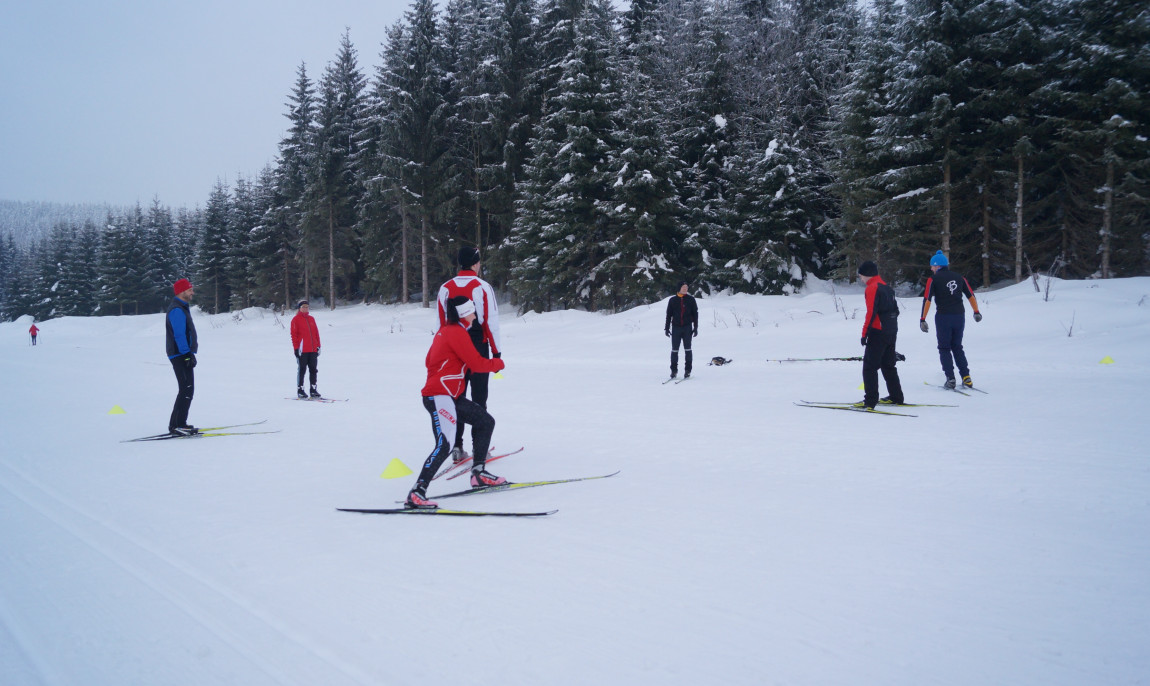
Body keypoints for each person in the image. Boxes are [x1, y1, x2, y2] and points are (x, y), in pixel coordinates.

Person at [407, 296, 508, 509]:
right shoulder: (456, 332)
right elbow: (477, 364)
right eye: (473, 311)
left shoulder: (446, 331)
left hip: (449, 396)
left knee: (485, 422)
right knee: (444, 445)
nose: (476, 315)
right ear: (465, 313)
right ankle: (417, 493)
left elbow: (430, 362)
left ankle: (479, 474)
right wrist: (497, 363)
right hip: (440, 396)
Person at [436, 246, 502, 463]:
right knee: (479, 399)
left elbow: (441, 324)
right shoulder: (482, 287)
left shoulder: (445, 288)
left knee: (457, 398)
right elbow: (491, 323)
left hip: (453, 350)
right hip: (477, 348)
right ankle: (479, 450)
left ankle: (456, 447)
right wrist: (497, 352)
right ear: (476, 263)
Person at [919, 250, 983, 389]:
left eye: (932, 266)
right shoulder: (960, 277)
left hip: (943, 318)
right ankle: (966, 377)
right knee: (957, 346)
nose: (931, 268)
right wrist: (976, 311)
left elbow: (927, 299)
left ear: (937, 266)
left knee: (944, 348)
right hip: (959, 316)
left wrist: (922, 319)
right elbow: (971, 295)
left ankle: (950, 378)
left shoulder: (933, 279)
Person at [857, 261, 904, 409]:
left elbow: (871, 312)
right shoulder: (886, 287)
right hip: (891, 330)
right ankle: (896, 397)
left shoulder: (872, 288)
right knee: (888, 365)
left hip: (879, 332)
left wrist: (864, 334)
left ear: (866, 274)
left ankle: (870, 401)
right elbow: (896, 310)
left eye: (861, 275)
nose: (860, 279)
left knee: (869, 367)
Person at [165, 278, 198, 436]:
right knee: (185, 389)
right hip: (179, 354)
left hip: (182, 353)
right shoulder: (177, 309)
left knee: (188, 389)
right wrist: (186, 355)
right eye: (190, 289)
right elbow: (179, 335)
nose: (192, 292)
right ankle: (176, 425)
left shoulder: (182, 307)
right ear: (182, 292)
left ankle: (180, 423)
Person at [664, 280, 699, 379]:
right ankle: (673, 371)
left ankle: (688, 370)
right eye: (684, 287)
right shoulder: (672, 300)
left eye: (687, 287)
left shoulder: (691, 299)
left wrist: (695, 327)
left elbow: (695, 315)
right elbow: (668, 315)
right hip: (676, 328)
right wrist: (666, 328)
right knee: (674, 350)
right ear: (679, 288)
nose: (685, 289)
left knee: (688, 350)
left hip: (687, 328)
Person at [290, 300, 322, 399]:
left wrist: (318, 346)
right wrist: (296, 348)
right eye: (303, 307)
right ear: (299, 308)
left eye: (307, 307)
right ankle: (300, 390)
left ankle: (313, 389)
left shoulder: (311, 319)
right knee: (302, 370)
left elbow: (316, 333)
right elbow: (294, 335)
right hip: (302, 350)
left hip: (312, 349)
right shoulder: (295, 319)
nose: (305, 308)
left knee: (313, 369)